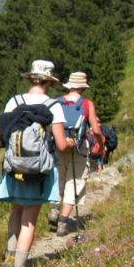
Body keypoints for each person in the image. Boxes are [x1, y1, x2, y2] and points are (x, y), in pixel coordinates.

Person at [0, 60, 71, 267]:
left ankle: (8, 261)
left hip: (13, 167)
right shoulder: (54, 106)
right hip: (39, 171)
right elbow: (61, 145)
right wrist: (72, 144)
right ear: (49, 82)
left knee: (16, 211)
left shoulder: (14, 101)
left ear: (31, 79)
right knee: (29, 219)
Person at [48, 71, 104, 236]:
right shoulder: (87, 104)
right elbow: (96, 130)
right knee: (75, 182)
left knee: (60, 179)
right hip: (79, 148)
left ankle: (54, 210)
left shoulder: (57, 102)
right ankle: (63, 224)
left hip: (59, 146)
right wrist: (100, 146)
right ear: (82, 87)